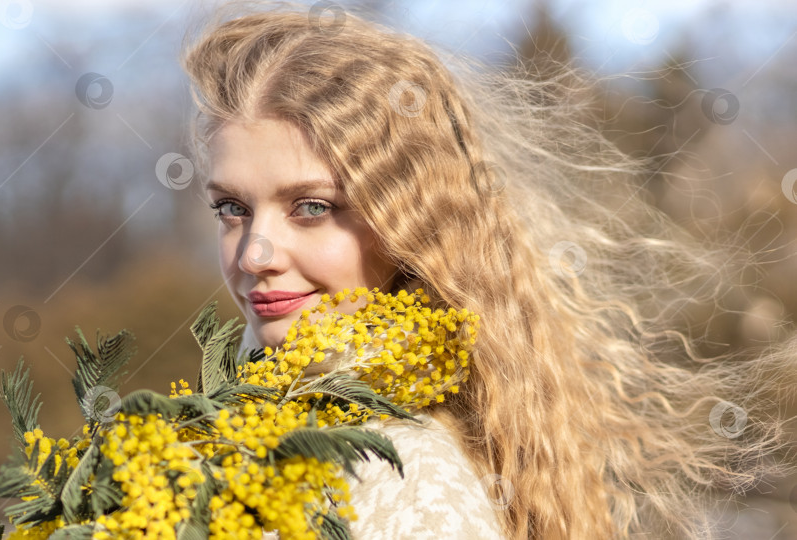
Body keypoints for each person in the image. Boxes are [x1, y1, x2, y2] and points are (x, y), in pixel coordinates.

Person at [180, 1, 797, 538]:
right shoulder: (226, 431)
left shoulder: (402, 478)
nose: (254, 254)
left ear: (407, 229)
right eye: (232, 208)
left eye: (312, 208)